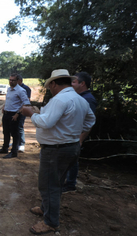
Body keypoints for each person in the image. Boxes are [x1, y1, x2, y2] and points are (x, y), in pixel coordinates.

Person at [20, 69, 95, 234]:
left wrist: (30, 113)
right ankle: (45, 208)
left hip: (56, 150)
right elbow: (90, 120)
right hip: (71, 147)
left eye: (49, 86)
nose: (49, 89)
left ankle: (51, 222)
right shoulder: (80, 100)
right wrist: (72, 131)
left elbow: (46, 123)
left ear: (54, 83)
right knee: (57, 182)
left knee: (48, 185)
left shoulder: (60, 99)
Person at [63, 71, 97, 193]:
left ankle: (70, 184)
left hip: (77, 137)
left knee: (72, 160)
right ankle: (66, 182)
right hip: (72, 135)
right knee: (69, 159)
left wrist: (80, 140)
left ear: (82, 84)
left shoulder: (88, 100)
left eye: (74, 81)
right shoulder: (79, 97)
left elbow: (89, 123)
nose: (71, 84)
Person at [0, 73, 30, 159]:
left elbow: (26, 103)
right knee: (6, 132)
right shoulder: (9, 89)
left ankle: (14, 152)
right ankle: (5, 148)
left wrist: (17, 114)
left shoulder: (21, 90)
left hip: (14, 115)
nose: (11, 82)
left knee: (15, 134)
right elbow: (8, 100)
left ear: (17, 81)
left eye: (13, 80)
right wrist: (4, 106)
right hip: (6, 113)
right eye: (10, 80)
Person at [17, 75, 31, 152]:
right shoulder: (14, 88)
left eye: (15, 80)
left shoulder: (25, 88)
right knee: (14, 127)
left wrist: (21, 111)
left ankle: (22, 144)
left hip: (21, 110)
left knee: (20, 126)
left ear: (20, 81)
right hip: (14, 110)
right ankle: (16, 142)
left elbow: (27, 101)